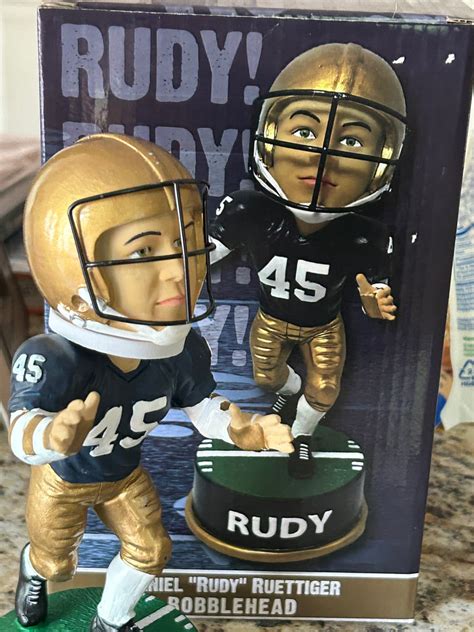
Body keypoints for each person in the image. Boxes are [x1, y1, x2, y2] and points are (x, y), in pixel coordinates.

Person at [8, 134, 292, 631]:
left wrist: (241, 429)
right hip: (64, 480)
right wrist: (52, 434)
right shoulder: (55, 357)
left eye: (183, 242)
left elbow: (202, 406)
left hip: (123, 474)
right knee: (57, 566)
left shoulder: (181, 350)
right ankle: (32, 570)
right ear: (71, 266)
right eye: (143, 251)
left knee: (151, 550)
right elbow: (20, 431)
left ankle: (111, 621)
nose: (179, 270)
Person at [210, 43, 407, 479]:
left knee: (326, 388)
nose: (322, 156)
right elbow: (204, 257)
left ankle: (301, 436)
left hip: (323, 326)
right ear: (271, 135)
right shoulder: (250, 212)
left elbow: (375, 286)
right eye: (304, 132)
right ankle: (290, 387)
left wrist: (375, 300)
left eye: (351, 141)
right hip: (271, 318)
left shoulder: (364, 235)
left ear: (380, 163)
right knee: (267, 379)